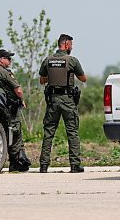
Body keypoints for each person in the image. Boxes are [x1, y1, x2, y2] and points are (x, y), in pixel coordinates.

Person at [38, 34, 87, 173]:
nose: (72, 47)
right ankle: (75, 165)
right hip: (67, 100)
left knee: (48, 132)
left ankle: (43, 165)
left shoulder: (47, 60)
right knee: (72, 132)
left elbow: (42, 80)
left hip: (52, 100)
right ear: (65, 44)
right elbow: (83, 78)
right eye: (71, 44)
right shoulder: (72, 60)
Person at [0, 49, 31, 172]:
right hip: (11, 107)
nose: (10, 61)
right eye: (8, 58)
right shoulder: (5, 73)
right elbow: (18, 90)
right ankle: (16, 162)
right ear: (1, 60)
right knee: (16, 134)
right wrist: (22, 99)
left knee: (4, 133)